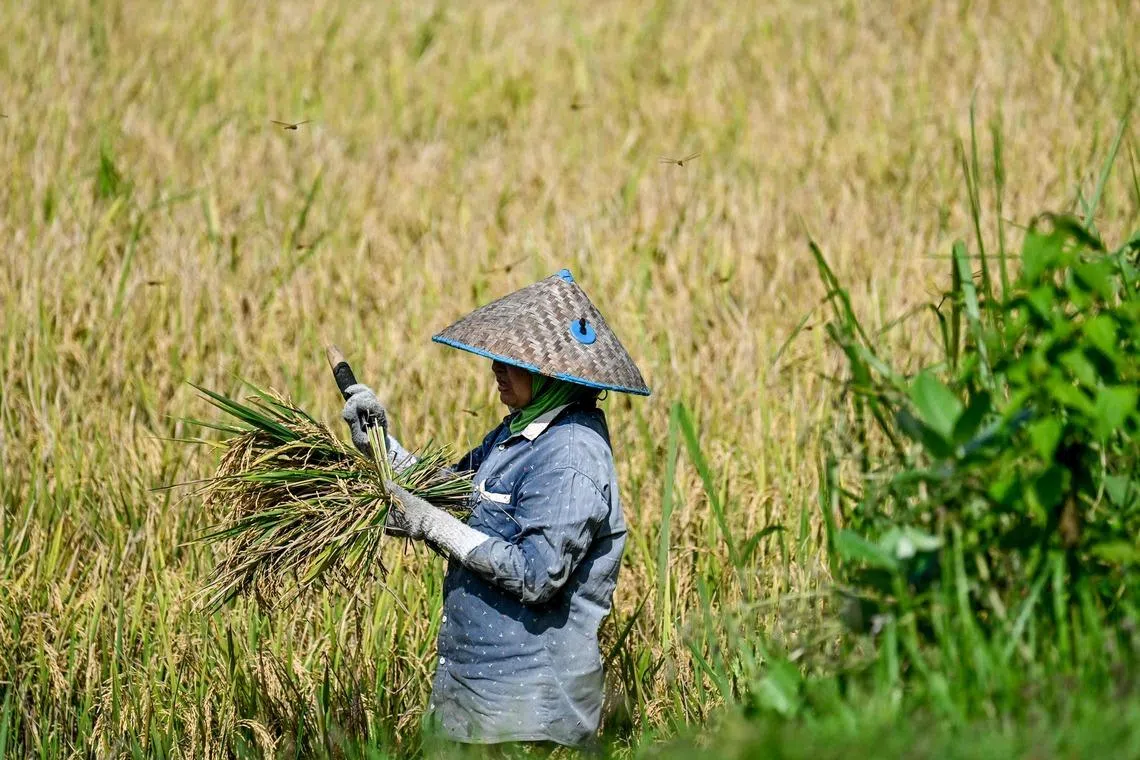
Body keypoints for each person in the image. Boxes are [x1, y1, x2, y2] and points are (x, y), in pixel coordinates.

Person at [340, 269, 650, 750]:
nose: (496, 371)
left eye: (511, 362)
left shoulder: (570, 456)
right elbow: (448, 494)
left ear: (550, 375)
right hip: (473, 707)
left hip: (531, 720)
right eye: (497, 360)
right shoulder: (515, 436)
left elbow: (536, 574)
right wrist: (380, 443)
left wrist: (431, 526)